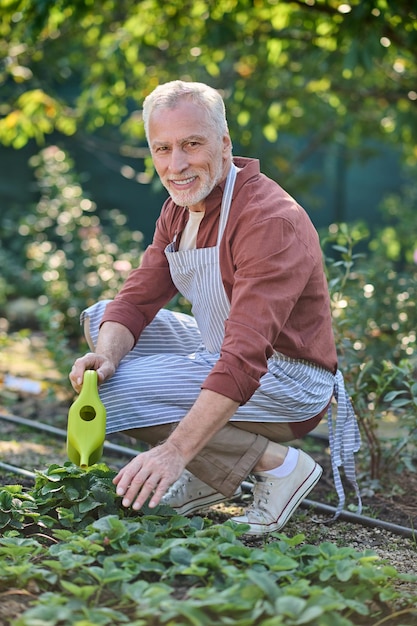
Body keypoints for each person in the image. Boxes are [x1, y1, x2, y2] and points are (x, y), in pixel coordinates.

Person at [69, 80, 361, 536]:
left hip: (289, 378)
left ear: (224, 143)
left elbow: (245, 356)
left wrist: (175, 450)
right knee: (102, 326)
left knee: (117, 394)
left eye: (191, 144)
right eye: (162, 148)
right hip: (225, 348)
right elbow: (137, 298)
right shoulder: (179, 210)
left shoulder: (268, 219)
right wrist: (105, 357)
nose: (176, 165)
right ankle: (211, 477)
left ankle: (281, 466)